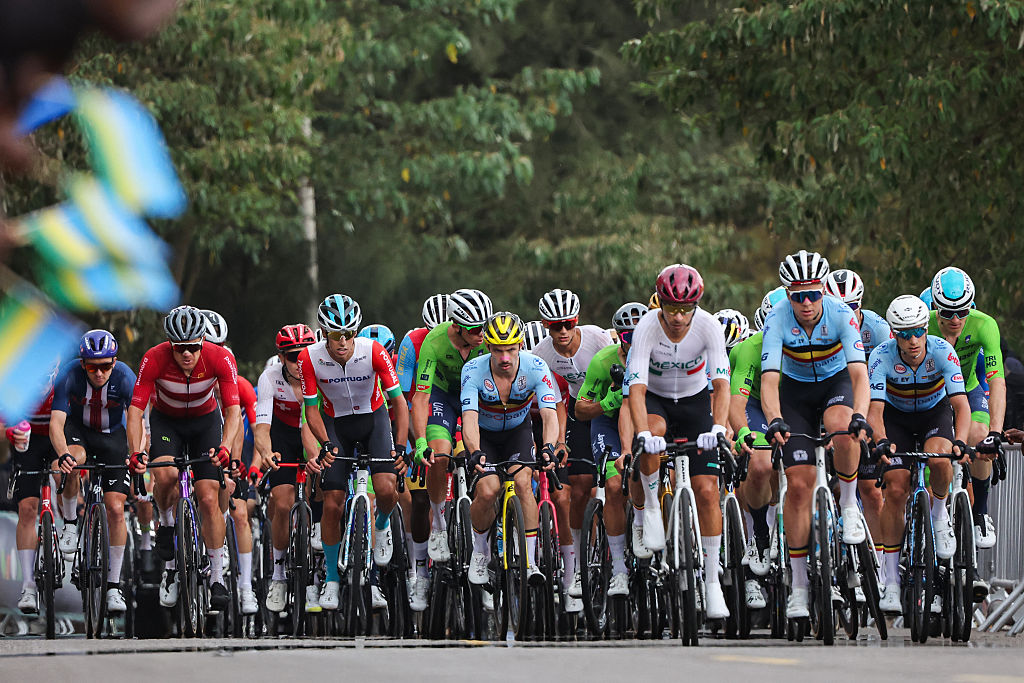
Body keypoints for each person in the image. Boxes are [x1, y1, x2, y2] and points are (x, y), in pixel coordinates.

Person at [760, 250, 870, 620]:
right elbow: (770, 381)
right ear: (787, 294)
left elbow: (859, 376)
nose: (806, 303)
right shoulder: (776, 319)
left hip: (835, 384)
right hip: (794, 393)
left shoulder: (840, 314)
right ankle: (800, 586)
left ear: (823, 290)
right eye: (797, 296)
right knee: (800, 485)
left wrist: (861, 416)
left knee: (842, 427)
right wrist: (774, 419)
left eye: (813, 294)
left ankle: (850, 505)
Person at [626, 263, 733, 619]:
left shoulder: (709, 326)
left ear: (697, 305)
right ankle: (653, 508)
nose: (678, 316)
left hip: (695, 401)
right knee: (652, 434)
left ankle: (713, 582)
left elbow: (721, 386)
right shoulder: (646, 328)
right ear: (660, 304)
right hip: (656, 402)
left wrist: (718, 427)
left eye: (685, 308)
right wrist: (642, 433)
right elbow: (636, 391)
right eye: (671, 307)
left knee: (707, 491)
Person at [126, 305, 242, 613]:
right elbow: (136, 412)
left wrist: (226, 447)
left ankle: (217, 575)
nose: (187, 354)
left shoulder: (221, 358)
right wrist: (135, 452)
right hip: (168, 423)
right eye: (180, 349)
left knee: (207, 497)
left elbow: (233, 412)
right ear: (170, 345)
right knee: (165, 475)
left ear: (203, 342)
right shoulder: (154, 358)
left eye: (193, 347)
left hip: (205, 423)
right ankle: (166, 525)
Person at [298, 294, 408, 610]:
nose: (343, 341)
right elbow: (311, 409)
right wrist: (325, 443)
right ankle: (332, 579)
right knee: (331, 503)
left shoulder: (372, 352)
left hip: (373, 420)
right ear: (324, 333)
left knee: (387, 489)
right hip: (336, 426)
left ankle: (383, 525)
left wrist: (400, 446)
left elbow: (398, 402)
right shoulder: (309, 358)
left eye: (349, 333)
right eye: (335, 335)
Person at [866, 295, 971, 613]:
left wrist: (961, 442)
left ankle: (939, 516)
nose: (912, 340)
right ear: (893, 334)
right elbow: (875, 412)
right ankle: (891, 582)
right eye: (903, 333)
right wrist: (881, 441)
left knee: (940, 460)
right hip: (896, 419)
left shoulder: (942, 351)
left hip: (933, 415)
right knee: (896, 488)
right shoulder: (881, 356)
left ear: (926, 328)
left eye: (917, 332)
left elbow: (961, 406)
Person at [462, 313, 560, 585]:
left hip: (519, 431)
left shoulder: (537, 367)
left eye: (511, 349)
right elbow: (469, 418)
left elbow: (550, 415)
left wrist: (549, 447)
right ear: (488, 347)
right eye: (497, 350)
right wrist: (474, 450)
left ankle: (529, 562)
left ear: (520, 345)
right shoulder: (472, 370)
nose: (504, 358)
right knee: (488, 489)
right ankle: (480, 551)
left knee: (523, 483)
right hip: (486, 437)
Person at [531, 288, 612, 611]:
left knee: (609, 483)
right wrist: (561, 440)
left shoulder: (597, 339)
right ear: (545, 326)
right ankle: (578, 561)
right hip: (580, 410)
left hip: (613, 405)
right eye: (554, 326)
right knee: (579, 489)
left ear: (576, 322)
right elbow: (555, 403)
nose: (562, 332)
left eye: (567, 324)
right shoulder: (542, 354)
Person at [49, 330, 136, 612]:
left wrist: (138, 453)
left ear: (115, 362)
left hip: (113, 437)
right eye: (92, 367)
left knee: (115, 508)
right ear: (82, 363)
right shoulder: (69, 374)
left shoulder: (124, 376)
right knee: (73, 461)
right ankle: (72, 525)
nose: (99, 373)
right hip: (79, 433)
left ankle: (113, 587)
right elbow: (56, 423)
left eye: (105, 366)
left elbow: (137, 420)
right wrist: (62, 454)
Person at [927, 267, 1006, 550]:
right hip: (931, 393)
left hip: (969, 389)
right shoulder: (923, 322)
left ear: (971, 305)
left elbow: (997, 383)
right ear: (935, 307)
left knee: (979, 435)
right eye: (947, 313)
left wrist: (996, 433)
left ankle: (980, 513)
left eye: (962, 311)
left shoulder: (985, 325)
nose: (956, 319)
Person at [411, 289, 492, 562]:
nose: (482, 334)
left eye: (485, 326)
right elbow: (421, 397)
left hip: (478, 396)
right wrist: (420, 441)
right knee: (440, 453)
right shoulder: (434, 342)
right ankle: (438, 525)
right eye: (475, 329)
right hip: (443, 396)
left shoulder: (488, 338)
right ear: (457, 326)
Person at [824, 268, 893, 582]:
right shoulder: (819, 327)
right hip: (830, 403)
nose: (843, 313)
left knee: (872, 491)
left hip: (867, 405)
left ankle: (878, 565)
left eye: (850, 307)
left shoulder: (878, 328)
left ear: (860, 305)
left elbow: (890, 378)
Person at [575, 302, 647, 596]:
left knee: (649, 474)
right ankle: (619, 567)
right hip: (608, 425)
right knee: (615, 485)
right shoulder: (602, 361)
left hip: (644, 418)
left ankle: (646, 527)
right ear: (618, 337)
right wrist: (607, 402)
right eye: (627, 339)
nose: (633, 345)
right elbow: (579, 409)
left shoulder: (660, 356)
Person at [256, 324, 321, 614]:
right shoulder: (269, 377)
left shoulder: (320, 372)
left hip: (314, 429)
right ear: (281, 357)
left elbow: (313, 422)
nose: (300, 361)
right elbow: (262, 427)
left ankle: (318, 563)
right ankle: (279, 574)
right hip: (283, 435)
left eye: (305, 354)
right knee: (282, 502)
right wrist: (266, 453)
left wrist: (316, 456)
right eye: (293, 356)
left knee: (320, 487)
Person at [729, 287, 786, 610]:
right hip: (755, 407)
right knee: (762, 466)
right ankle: (761, 533)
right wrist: (744, 433)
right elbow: (736, 403)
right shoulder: (748, 350)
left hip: (792, 404)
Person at [394, 294, 450, 611]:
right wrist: (413, 441)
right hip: (423, 411)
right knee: (418, 497)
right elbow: (405, 396)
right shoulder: (413, 342)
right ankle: (418, 571)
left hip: (458, 409)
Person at [5, 361, 64, 613]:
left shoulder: (66, 376)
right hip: (27, 441)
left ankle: (71, 525)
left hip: (56, 435)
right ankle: (28, 585)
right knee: (28, 509)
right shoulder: (16, 377)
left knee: (65, 474)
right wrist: (11, 433)